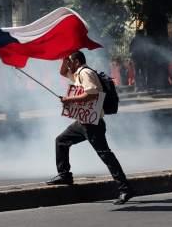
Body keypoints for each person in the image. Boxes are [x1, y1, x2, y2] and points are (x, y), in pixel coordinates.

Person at [46, 51, 135, 205]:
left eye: (70, 62)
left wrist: (69, 100)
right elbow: (62, 72)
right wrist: (64, 59)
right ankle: (64, 175)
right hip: (83, 122)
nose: (68, 65)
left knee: (105, 155)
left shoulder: (85, 73)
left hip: (93, 124)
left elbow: (92, 94)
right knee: (61, 141)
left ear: (77, 62)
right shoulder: (77, 73)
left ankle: (125, 188)